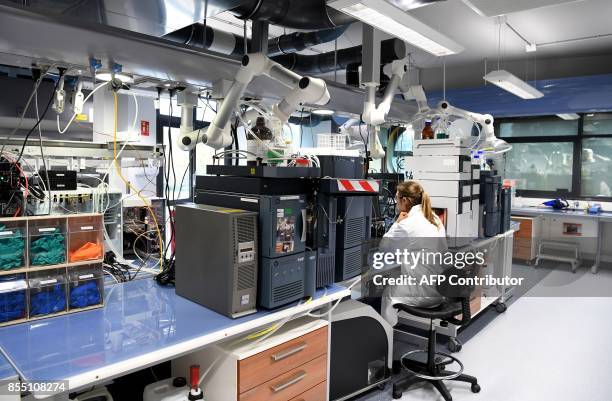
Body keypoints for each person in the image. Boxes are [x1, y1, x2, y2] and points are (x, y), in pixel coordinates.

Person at [380, 180, 448, 326]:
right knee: (395, 276)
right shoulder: (434, 218)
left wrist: (396, 223)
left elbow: (383, 249)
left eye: (397, 198)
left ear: (405, 200)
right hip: (441, 289)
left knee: (388, 292)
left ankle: (386, 339)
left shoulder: (406, 223)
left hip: (424, 293)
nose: (396, 202)